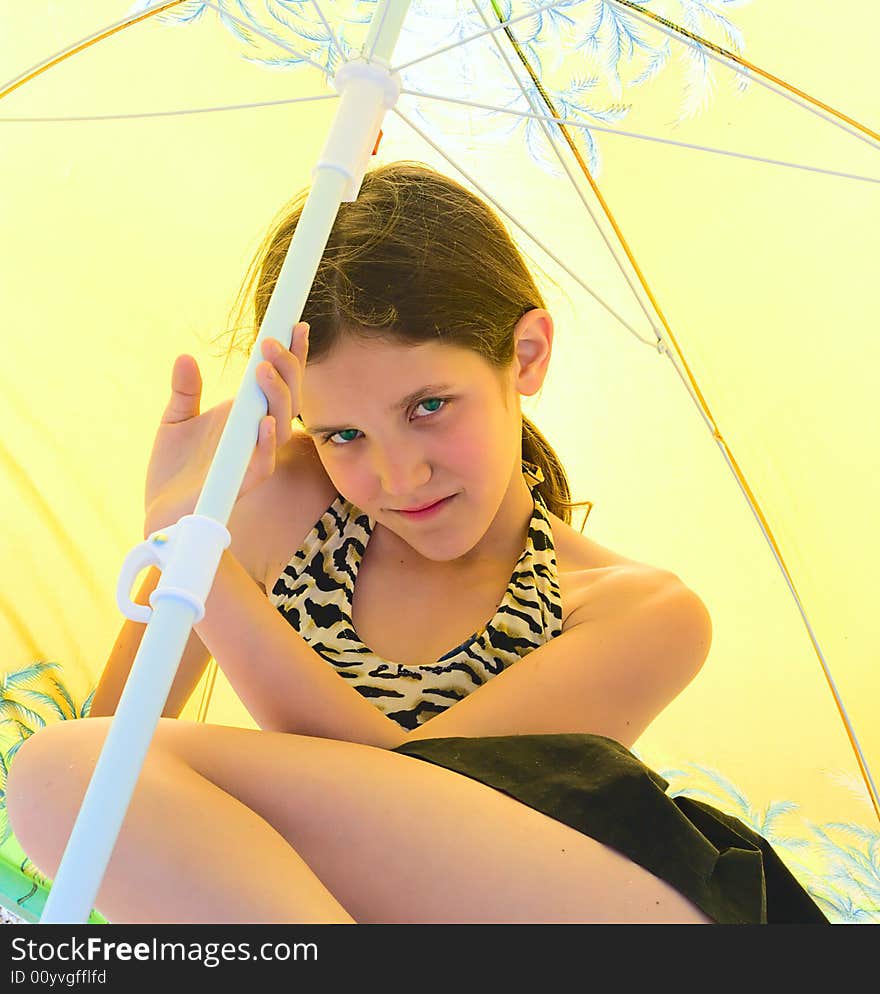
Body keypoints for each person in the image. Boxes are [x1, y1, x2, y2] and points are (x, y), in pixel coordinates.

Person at [6, 161, 828, 925]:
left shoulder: (641, 613)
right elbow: (113, 772)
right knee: (60, 779)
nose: (397, 478)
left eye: (429, 405)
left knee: (64, 775)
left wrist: (200, 564)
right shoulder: (276, 504)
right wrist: (191, 530)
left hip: (639, 910)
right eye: (343, 434)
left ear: (527, 355)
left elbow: (410, 790)